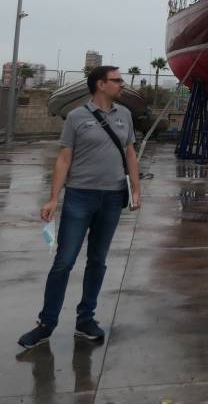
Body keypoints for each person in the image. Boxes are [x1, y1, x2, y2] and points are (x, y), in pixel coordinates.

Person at [18, 65, 141, 349]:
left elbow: (131, 154)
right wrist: (53, 198)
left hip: (112, 198)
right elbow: (63, 159)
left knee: (98, 261)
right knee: (65, 261)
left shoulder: (125, 116)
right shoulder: (76, 117)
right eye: (117, 80)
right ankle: (46, 323)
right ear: (100, 84)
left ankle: (85, 319)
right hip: (79, 197)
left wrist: (136, 189)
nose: (122, 84)